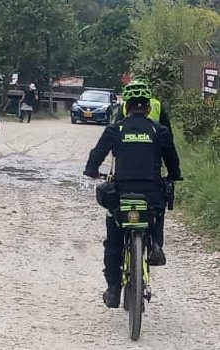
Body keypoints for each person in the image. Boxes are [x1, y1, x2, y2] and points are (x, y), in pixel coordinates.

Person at [84, 80, 182, 308]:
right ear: (149, 108)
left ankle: (112, 289)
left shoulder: (115, 130)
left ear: (126, 108)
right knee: (159, 206)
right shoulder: (160, 131)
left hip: (121, 193)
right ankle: (156, 245)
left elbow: (96, 156)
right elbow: (173, 163)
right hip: (151, 192)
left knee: (113, 242)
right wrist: (174, 176)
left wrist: (92, 172)